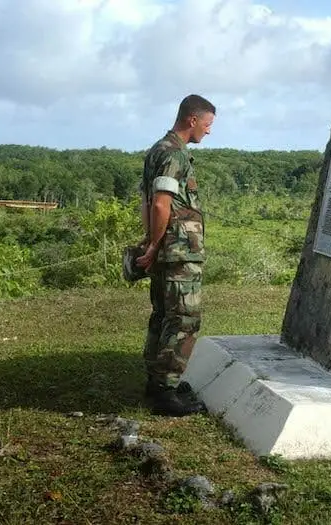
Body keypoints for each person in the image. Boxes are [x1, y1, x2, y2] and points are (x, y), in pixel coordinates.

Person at [136, 94, 215, 417]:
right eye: (208, 124)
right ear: (191, 120)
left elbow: (146, 201)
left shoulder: (157, 150)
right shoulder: (175, 156)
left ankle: (157, 382)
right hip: (178, 251)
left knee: (163, 315)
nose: (209, 132)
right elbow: (159, 203)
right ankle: (165, 391)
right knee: (184, 319)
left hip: (168, 249)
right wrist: (155, 244)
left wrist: (150, 241)